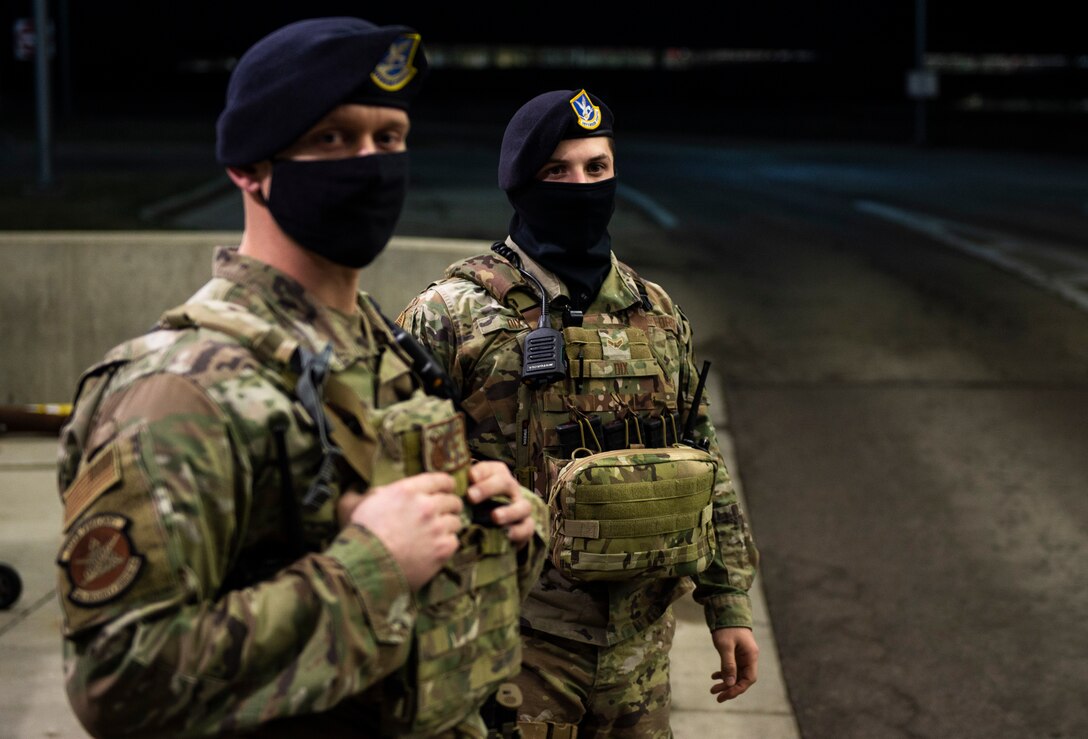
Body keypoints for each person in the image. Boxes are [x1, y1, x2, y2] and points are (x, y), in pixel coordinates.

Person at [55, 17, 547, 738]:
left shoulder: (383, 346)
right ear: (249, 167)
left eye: (389, 138)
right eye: (331, 139)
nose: (371, 161)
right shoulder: (177, 389)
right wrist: (371, 565)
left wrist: (497, 529)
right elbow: (118, 681)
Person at [397, 89, 760, 737]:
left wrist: (727, 601)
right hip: (516, 643)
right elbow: (396, 481)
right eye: (558, 171)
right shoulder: (453, 312)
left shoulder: (654, 308)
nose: (582, 185)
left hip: (641, 649)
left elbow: (702, 455)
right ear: (521, 184)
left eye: (597, 168)